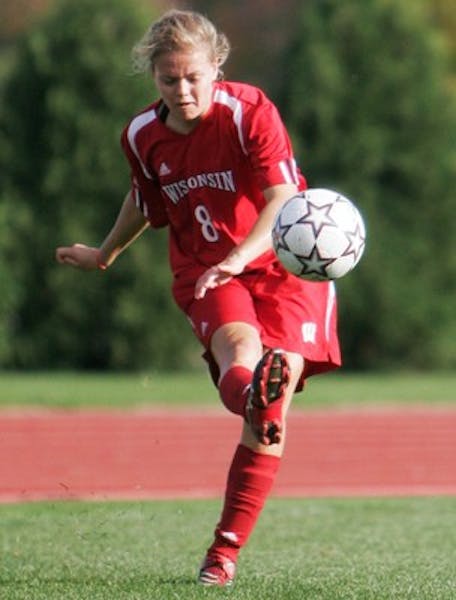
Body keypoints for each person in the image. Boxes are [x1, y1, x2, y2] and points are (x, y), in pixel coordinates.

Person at [56, 9, 341, 587]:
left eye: (193, 77)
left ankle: (223, 552)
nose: (182, 90)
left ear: (217, 67)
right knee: (241, 349)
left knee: (275, 392)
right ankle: (251, 392)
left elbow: (282, 196)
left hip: (285, 264)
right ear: (153, 76)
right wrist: (105, 252)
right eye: (169, 79)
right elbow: (145, 201)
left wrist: (241, 255)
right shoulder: (141, 135)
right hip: (206, 270)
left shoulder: (250, 112)